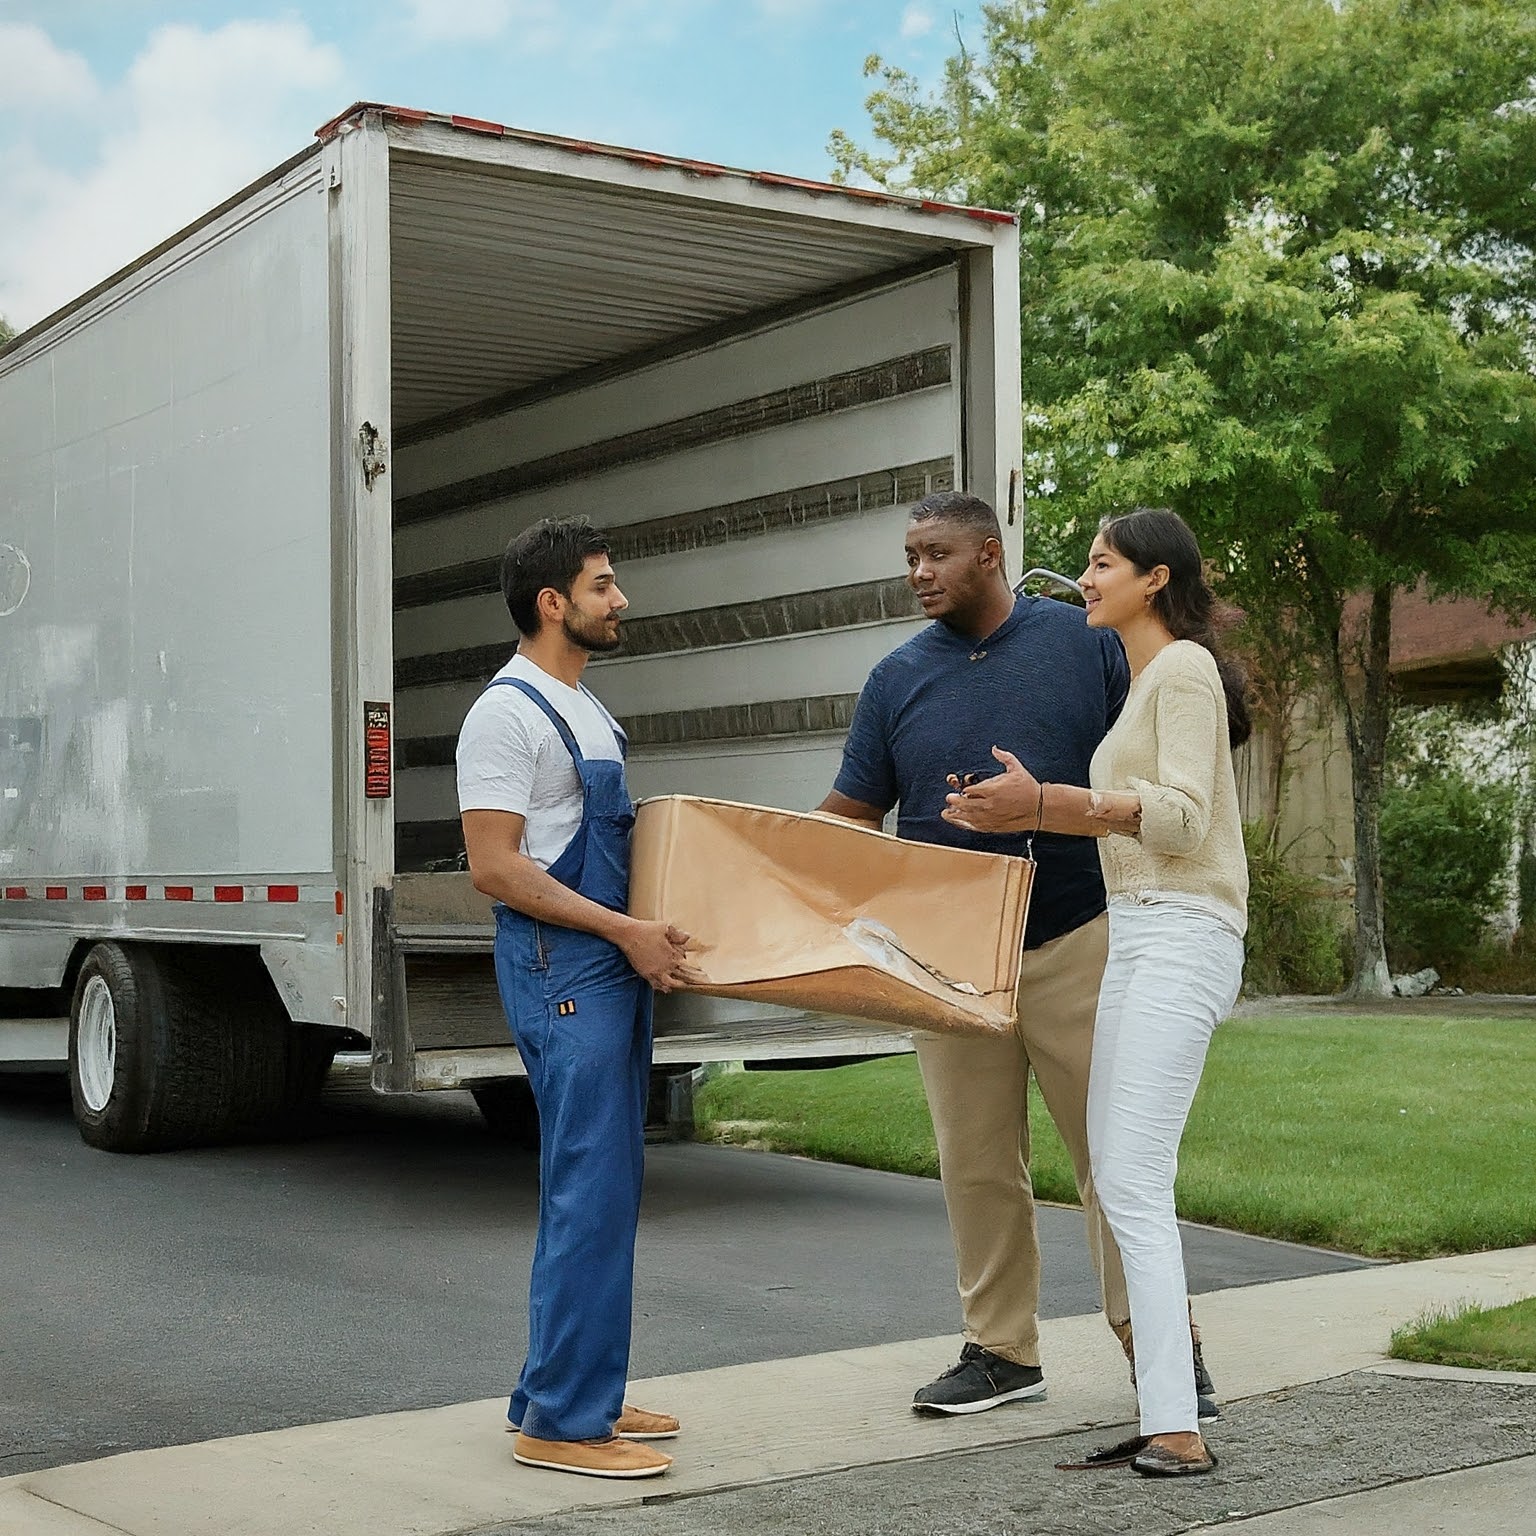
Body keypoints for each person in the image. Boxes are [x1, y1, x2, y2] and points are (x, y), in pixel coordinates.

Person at [819, 490, 1216, 1419]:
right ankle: (1001, 1351)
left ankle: (1159, 1342)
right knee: (976, 1160)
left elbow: (1155, 772)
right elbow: (850, 816)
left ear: (989, 554)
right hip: (949, 959)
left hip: (1078, 935)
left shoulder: (1084, 642)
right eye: (911, 555)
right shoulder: (893, 679)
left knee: (1114, 1158)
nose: (918, 572)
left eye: (936, 554)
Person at [944, 506, 1250, 1477]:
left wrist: (1049, 805)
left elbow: (1183, 820)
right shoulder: (1144, 681)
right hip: (1139, 938)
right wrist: (1041, 801)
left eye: (1102, 562)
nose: (1084, 577)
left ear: (1155, 579)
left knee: (1130, 1178)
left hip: (1186, 931)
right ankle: (1169, 1413)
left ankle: (1179, 1425)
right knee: (1122, 1180)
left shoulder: (1187, 670)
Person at [457, 516, 699, 1481]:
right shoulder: (505, 715)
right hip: (566, 969)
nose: (620, 598)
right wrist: (623, 932)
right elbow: (494, 867)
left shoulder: (585, 707)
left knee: (602, 1189)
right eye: (604, 585)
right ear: (553, 603)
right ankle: (560, 1422)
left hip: (607, 963)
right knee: (587, 1193)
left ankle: (565, 1386)